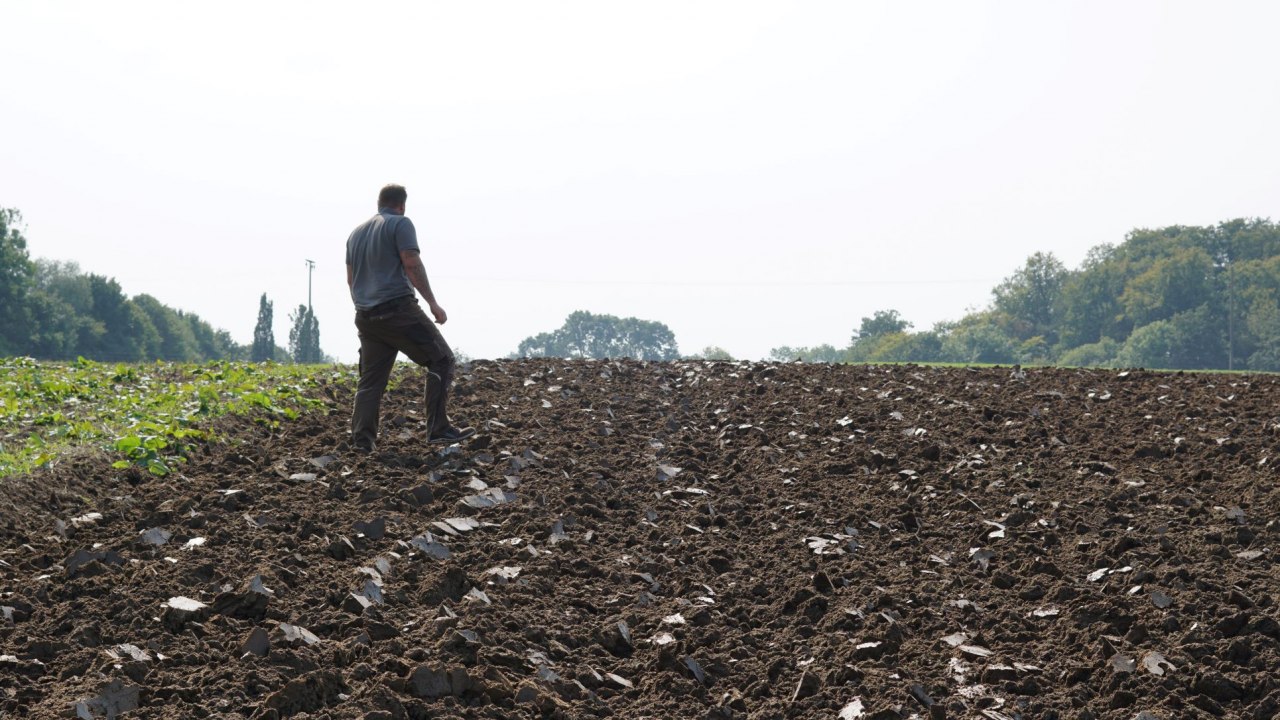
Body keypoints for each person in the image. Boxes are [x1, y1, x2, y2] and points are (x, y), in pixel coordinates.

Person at [346, 183, 473, 452]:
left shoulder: (355, 234)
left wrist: (365, 307)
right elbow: (411, 261)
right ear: (401, 205)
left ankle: (362, 441)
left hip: (366, 315)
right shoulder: (401, 224)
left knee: (370, 381)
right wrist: (432, 303)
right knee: (442, 359)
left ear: (379, 203)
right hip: (398, 309)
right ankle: (439, 428)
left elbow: (350, 279)